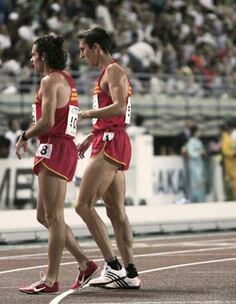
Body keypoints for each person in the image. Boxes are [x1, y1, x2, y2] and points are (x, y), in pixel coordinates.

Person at [16, 35, 98, 294]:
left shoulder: (50, 80)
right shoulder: (66, 80)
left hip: (55, 146)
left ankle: (51, 280)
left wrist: (24, 135)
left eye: (33, 54)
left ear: (44, 57)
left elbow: (48, 121)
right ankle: (85, 264)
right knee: (45, 216)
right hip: (60, 147)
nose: (31, 59)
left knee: (54, 217)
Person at [76, 27, 141, 289]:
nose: (81, 56)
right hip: (110, 138)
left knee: (83, 205)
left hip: (111, 142)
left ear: (96, 48)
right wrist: (92, 136)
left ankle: (112, 266)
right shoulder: (108, 72)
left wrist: (87, 115)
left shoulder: (113, 70)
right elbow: (114, 115)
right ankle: (131, 273)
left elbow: (119, 107)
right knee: (116, 212)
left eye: (83, 50)